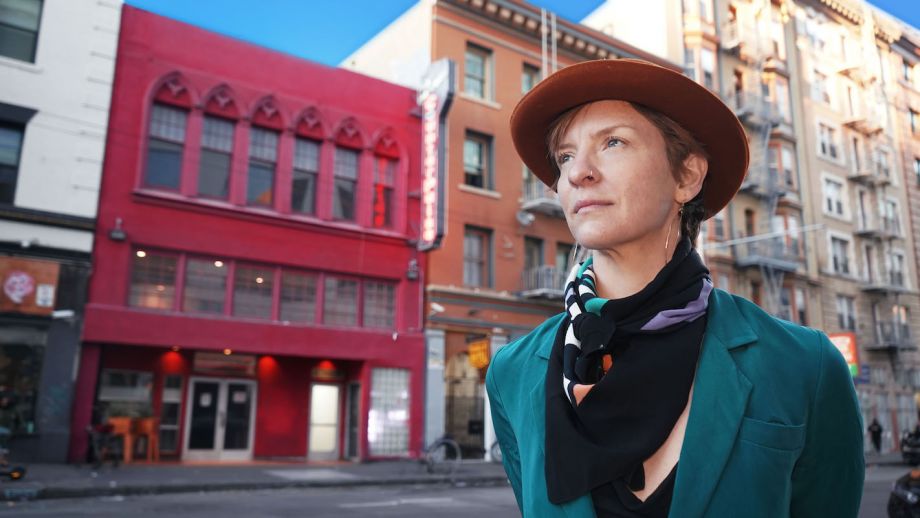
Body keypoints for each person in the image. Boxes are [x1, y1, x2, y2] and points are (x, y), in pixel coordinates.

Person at [486, 59, 865, 518]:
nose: (577, 172)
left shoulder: (804, 364)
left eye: (613, 142)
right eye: (564, 156)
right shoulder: (513, 372)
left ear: (686, 176)